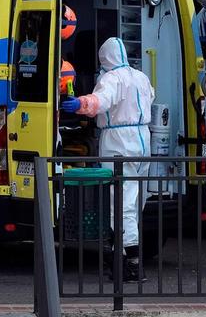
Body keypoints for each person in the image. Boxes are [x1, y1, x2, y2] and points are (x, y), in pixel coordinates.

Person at [61, 36, 155, 282]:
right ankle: (121, 257)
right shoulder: (140, 77)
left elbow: (99, 103)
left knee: (120, 201)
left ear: (105, 58)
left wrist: (78, 103)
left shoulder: (111, 78)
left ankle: (132, 263)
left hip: (118, 142)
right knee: (135, 200)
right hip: (143, 138)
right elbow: (151, 98)